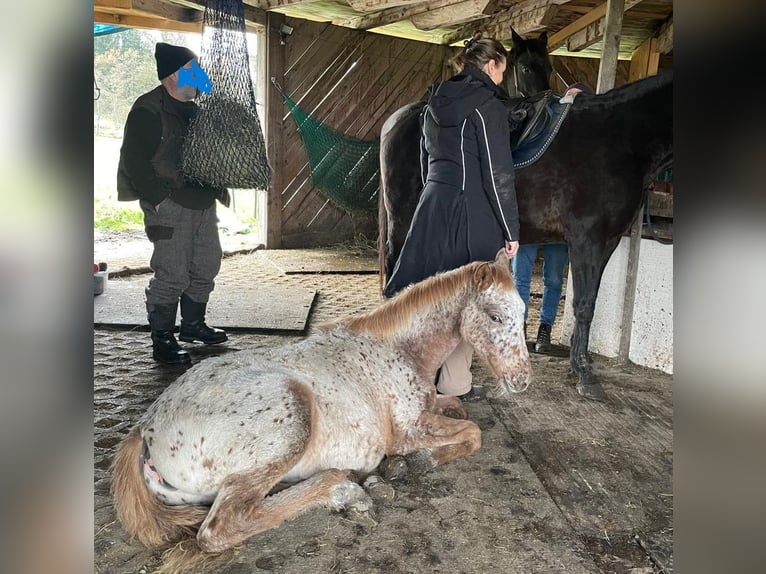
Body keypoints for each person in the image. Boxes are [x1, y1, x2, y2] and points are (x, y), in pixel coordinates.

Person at [383, 33, 520, 400]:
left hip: (433, 208)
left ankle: (408, 374)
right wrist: (510, 229)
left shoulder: (433, 103)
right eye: (501, 72)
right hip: (473, 216)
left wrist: (435, 201)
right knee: (472, 299)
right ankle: (455, 385)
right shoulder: (487, 106)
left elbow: (428, 165)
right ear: (491, 65)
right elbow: (497, 174)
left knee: (428, 295)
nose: (501, 81)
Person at [117, 42, 230, 365]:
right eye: (191, 69)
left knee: (206, 264)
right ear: (171, 75)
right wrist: (158, 199)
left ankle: (193, 326)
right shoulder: (147, 111)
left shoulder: (198, 110)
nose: (199, 75)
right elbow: (134, 162)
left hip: (203, 202)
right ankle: (162, 340)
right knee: (171, 273)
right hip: (169, 204)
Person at [512, 243, 569, 352]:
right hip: (528, 230)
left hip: (558, 231)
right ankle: (519, 325)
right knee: (520, 277)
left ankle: (545, 327)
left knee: (554, 280)